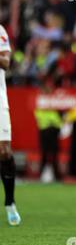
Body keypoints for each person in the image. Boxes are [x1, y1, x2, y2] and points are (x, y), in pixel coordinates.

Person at [0, 24, 21, 226]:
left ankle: (9, 202)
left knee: (5, 152)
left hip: (0, 102)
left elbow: (6, 63)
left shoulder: (0, 31)